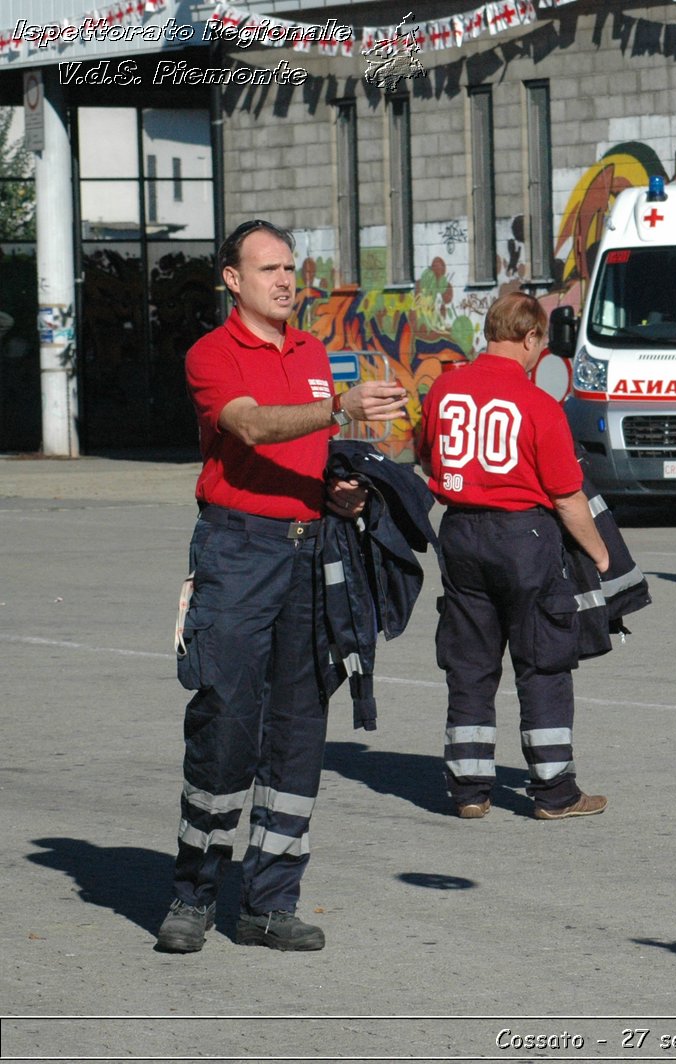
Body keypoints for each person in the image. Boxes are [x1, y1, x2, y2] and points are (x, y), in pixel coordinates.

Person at [157, 219, 409, 954]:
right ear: (232, 280)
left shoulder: (310, 353)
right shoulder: (212, 354)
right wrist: (341, 408)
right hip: (237, 551)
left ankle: (270, 902)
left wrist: (343, 492)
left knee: (300, 728)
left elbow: (307, 450)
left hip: (310, 553)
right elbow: (253, 428)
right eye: (268, 268)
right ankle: (192, 897)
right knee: (226, 720)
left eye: (290, 268)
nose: (285, 281)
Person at [413, 292, 611, 822]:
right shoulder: (538, 404)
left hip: (458, 533)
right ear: (529, 339)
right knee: (543, 660)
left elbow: (424, 453)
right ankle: (553, 791)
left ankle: (470, 789)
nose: (539, 354)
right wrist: (599, 552)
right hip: (524, 537)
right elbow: (567, 497)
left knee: (470, 663)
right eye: (540, 344)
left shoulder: (445, 390)